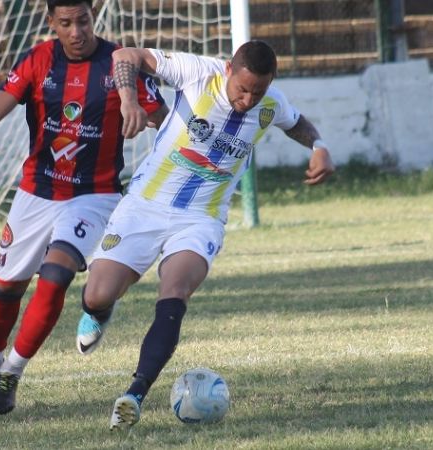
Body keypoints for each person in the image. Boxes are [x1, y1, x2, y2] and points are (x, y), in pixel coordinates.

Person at [74, 40, 335, 429]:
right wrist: (129, 100)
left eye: (257, 91)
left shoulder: (270, 103)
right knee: (97, 294)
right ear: (229, 69)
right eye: (242, 88)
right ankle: (99, 311)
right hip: (145, 205)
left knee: (174, 292)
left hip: (201, 218)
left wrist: (319, 146)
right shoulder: (198, 73)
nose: (247, 99)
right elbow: (124, 56)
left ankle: (134, 394)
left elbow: (297, 123)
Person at [0, 0, 168, 415]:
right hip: (35, 193)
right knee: (5, 289)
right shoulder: (38, 60)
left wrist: (147, 115)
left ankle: (11, 373)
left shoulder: (119, 64)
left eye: (83, 21)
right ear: (52, 23)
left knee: (56, 275)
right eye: (66, 23)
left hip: (93, 195)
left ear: (92, 18)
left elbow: (164, 118)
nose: (76, 31)